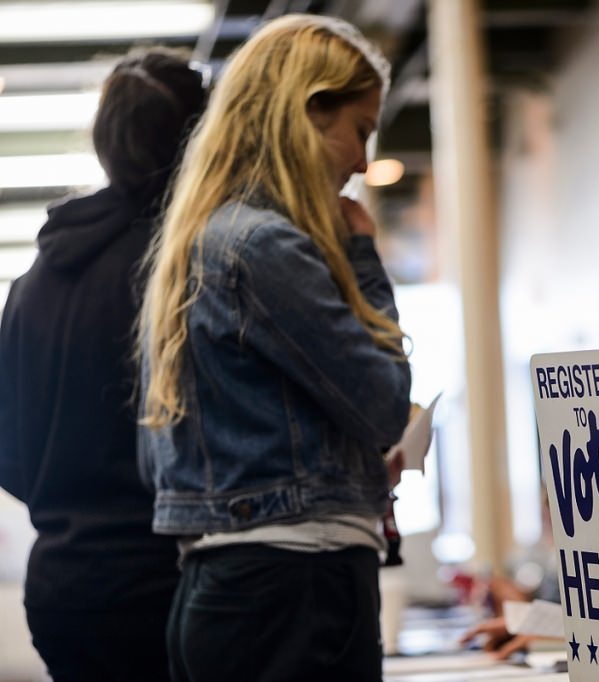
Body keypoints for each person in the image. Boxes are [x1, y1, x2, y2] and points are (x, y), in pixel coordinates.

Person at [136, 15, 411, 681]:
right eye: (361, 129)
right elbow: (383, 405)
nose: (364, 161)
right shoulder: (264, 248)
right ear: (309, 113)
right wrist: (363, 259)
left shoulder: (203, 243)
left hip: (233, 587)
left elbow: (160, 460)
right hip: (295, 586)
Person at [0, 48, 205, 682]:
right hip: (165, 587)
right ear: (200, 139)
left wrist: (72, 504)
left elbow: (7, 451)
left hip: (63, 585)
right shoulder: (187, 270)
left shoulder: (32, 282)